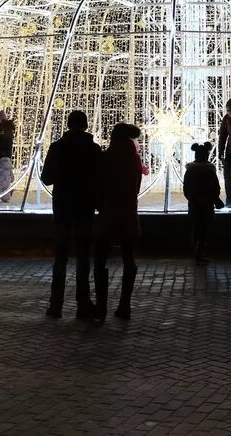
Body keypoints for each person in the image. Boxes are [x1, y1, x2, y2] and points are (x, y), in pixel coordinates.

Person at [40, 110, 103, 319]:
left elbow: (46, 178)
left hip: (63, 207)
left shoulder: (57, 148)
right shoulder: (94, 150)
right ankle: (83, 304)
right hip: (85, 207)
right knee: (83, 258)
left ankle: (55, 305)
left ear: (68, 125)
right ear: (85, 126)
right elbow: (99, 180)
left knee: (60, 257)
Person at [94, 122, 148, 320]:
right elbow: (135, 188)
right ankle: (125, 305)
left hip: (108, 215)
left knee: (100, 260)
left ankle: (101, 306)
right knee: (129, 259)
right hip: (128, 215)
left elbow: (98, 186)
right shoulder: (134, 160)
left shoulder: (105, 158)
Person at [183, 142, 223, 264]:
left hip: (194, 203)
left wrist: (191, 198)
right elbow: (215, 187)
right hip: (206, 204)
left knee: (195, 228)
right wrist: (215, 199)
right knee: (204, 230)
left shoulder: (190, 170)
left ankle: (195, 253)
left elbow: (186, 188)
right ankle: (200, 254)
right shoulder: (209, 170)